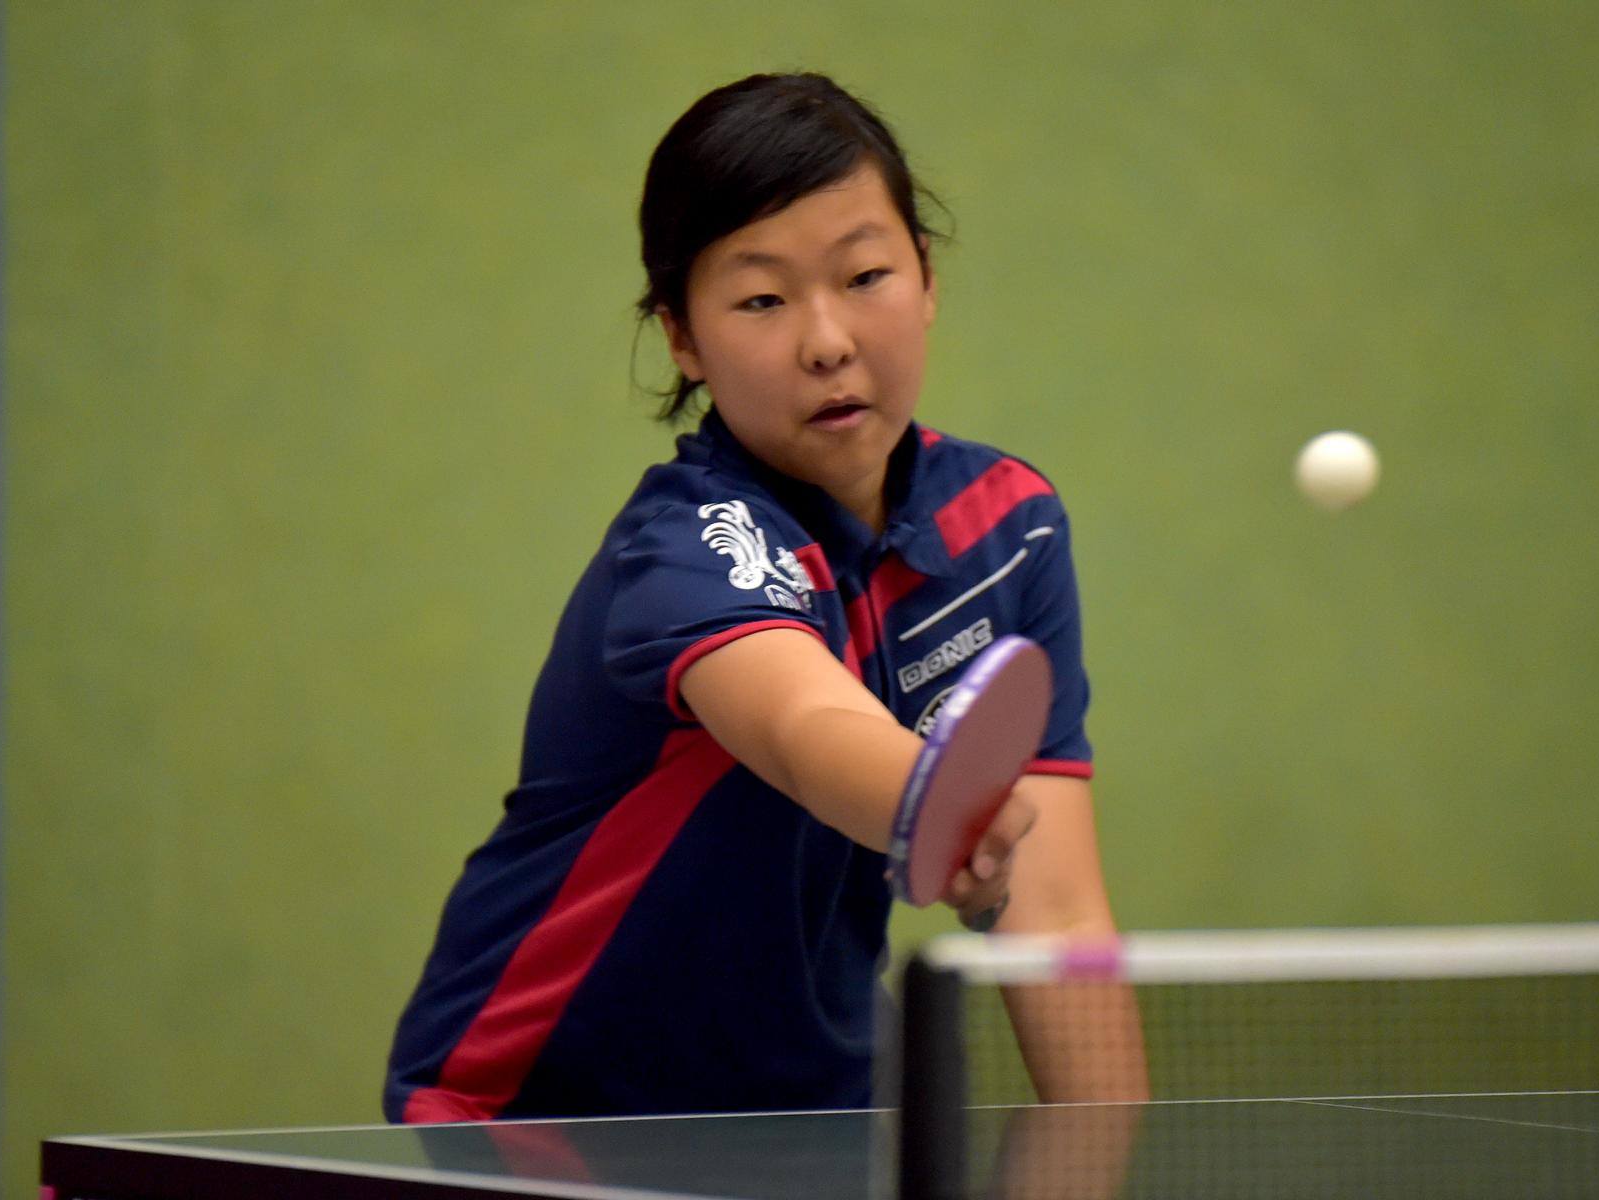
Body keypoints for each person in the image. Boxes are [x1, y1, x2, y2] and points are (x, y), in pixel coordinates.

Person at [384, 72, 1143, 1124]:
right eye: (761, 300)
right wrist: (940, 810)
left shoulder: (1007, 527)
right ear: (683, 339)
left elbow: (1055, 919)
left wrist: (1104, 1153)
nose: (826, 340)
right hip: (548, 1115)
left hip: (826, 1113)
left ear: (927, 277)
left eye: (865, 276)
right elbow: (804, 726)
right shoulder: (690, 547)